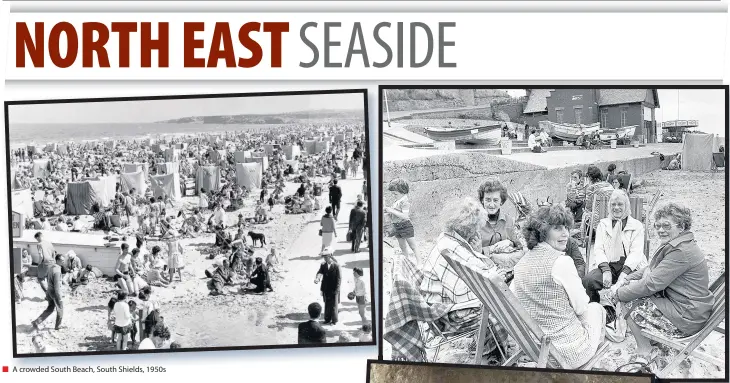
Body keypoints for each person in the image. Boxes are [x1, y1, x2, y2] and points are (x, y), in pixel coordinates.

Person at [608, 202, 715, 368]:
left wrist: (619, 293)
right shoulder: (680, 243)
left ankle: (645, 350)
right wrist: (627, 278)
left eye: (666, 225)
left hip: (686, 318)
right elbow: (651, 269)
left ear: (682, 226)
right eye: (657, 226)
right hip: (691, 309)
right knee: (632, 289)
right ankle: (650, 340)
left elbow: (650, 284)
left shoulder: (680, 251)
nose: (660, 230)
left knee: (628, 299)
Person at [511, 204, 606, 370]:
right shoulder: (561, 262)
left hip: (538, 351)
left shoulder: (520, 266)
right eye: (557, 228)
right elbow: (581, 306)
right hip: (570, 355)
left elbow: (518, 303)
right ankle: (592, 368)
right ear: (542, 232)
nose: (565, 234)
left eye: (566, 228)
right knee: (596, 308)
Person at [582, 189, 646, 303]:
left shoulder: (637, 226)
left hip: (631, 268)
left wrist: (624, 275)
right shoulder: (603, 224)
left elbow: (636, 253)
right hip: (609, 266)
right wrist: (606, 271)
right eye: (613, 204)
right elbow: (599, 249)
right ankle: (596, 310)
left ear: (626, 206)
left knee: (634, 284)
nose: (616, 207)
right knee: (589, 280)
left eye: (620, 204)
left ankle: (624, 315)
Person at [477, 178, 526, 268]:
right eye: (488, 200)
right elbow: (470, 252)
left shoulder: (509, 221)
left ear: (501, 202)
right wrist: (490, 249)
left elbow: (521, 246)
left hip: (508, 269)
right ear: (482, 200)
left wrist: (510, 242)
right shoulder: (475, 223)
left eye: (495, 200)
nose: (491, 205)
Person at [384, 178, 420, 272]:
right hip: (397, 227)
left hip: (405, 226)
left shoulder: (405, 202)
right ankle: (407, 263)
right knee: (403, 247)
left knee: (413, 246)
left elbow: (405, 216)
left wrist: (391, 210)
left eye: (395, 194)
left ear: (402, 191)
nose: (394, 196)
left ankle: (419, 263)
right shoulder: (398, 202)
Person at [31, 253, 65, 331]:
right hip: (54, 292)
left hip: (49, 291)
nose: (63, 262)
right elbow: (57, 286)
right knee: (60, 309)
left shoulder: (51, 268)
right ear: (58, 260)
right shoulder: (57, 271)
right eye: (62, 261)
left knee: (50, 308)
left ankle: (36, 322)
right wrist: (59, 297)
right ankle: (58, 326)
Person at [315, 252, 341, 326]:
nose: (325, 259)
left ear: (330, 256)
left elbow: (339, 279)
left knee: (334, 305)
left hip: (334, 288)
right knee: (327, 303)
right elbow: (320, 272)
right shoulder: (323, 265)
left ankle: (334, 320)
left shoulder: (336, 265)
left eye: (326, 257)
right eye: (324, 257)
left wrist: (337, 290)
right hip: (326, 287)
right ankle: (327, 319)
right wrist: (317, 278)